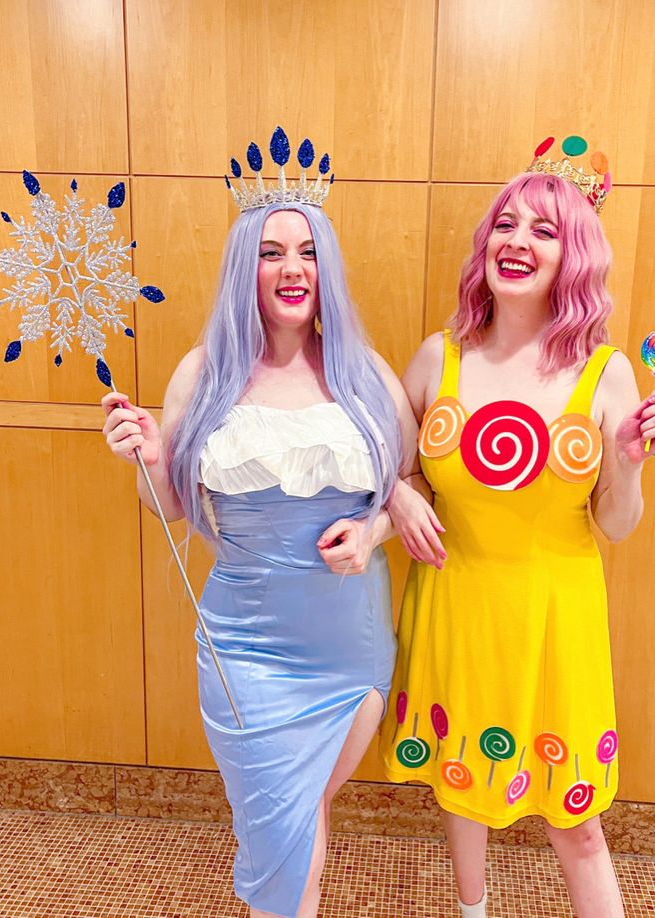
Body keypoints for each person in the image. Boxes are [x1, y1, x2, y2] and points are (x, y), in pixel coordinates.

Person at [101, 129, 444, 918]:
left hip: (348, 648)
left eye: (307, 251)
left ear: (326, 266)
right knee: (279, 829)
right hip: (246, 649)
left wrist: (377, 526)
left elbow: (405, 479)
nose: (292, 269)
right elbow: (176, 510)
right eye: (270, 252)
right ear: (242, 271)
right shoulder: (203, 373)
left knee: (305, 814)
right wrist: (151, 457)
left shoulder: (363, 372)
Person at [382, 144, 655, 918]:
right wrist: (403, 498)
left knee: (575, 825)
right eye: (504, 225)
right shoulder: (435, 358)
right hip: (456, 605)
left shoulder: (602, 371)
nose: (517, 241)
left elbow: (613, 521)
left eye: (543, 230)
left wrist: (629, 463)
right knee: (462, 791)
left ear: (570, 256)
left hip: (554, 620)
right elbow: (393, 472)